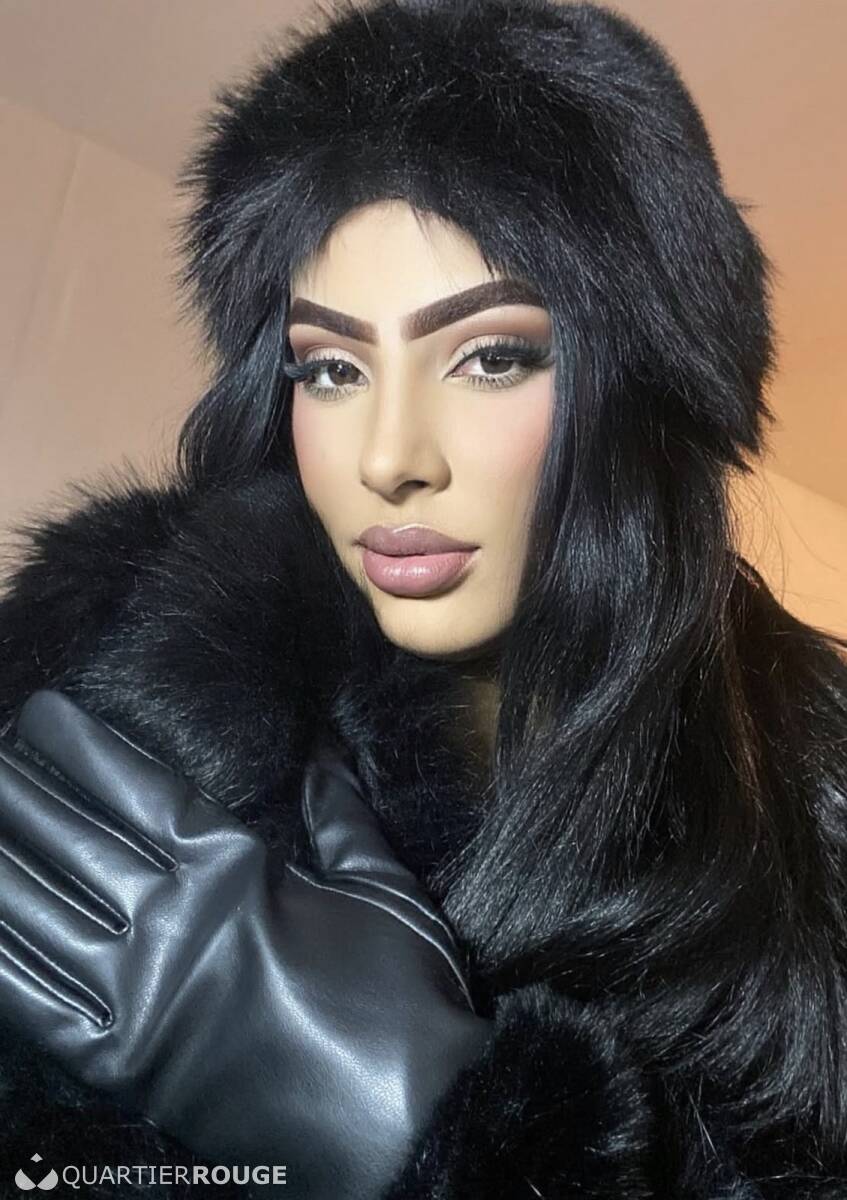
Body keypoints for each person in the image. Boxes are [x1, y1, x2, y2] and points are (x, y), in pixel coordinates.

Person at [0, 0, 845, 1196]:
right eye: (331, 368)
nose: (390, 458)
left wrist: (414, 1135)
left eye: (491, 356)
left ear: (645, 388)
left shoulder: (814, 797)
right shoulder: (125, 659)